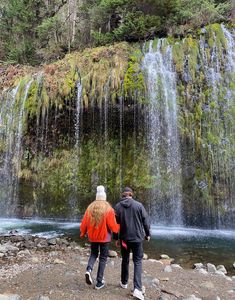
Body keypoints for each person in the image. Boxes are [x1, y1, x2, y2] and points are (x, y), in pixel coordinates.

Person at [80, 185, 120, 290]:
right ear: (104, 197)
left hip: (93, 237)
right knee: (103, 258)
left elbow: (84, 223)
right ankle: (99, 282)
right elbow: (112, 226)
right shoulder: (108, 208)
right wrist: (118, 229)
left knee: (93, 254)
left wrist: (83, 232)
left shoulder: (90, 207)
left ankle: (88, 270)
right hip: (104, 238)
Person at [114, 187, 150, 300]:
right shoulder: (139, 205)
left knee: (125, 260)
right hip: (137, 239)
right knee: (138, 262)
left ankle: (124, 282)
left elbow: (115, 225)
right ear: (131, 195)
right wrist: (148, 234)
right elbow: (146, 221)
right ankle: (137, 289)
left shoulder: (118, 207)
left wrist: (116, 238)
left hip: (124, 239)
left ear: (123, 195)